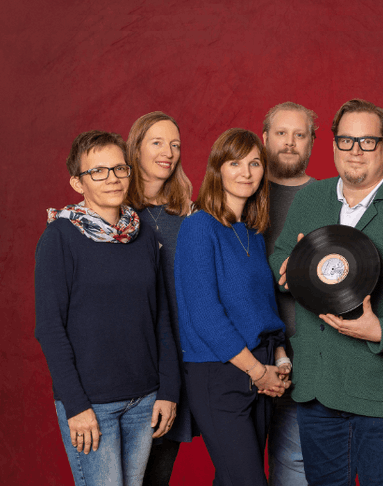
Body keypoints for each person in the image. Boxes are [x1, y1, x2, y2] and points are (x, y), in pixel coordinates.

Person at [269, 99, 383, 486]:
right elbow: (283, 253)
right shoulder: (311, 199)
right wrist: (288, 269)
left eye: (367, 141)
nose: (355, 150)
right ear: (334, 144)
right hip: (317, 386)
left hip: (382, 390)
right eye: (346, 140)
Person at [35, 130, 180, 486]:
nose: (112, 178)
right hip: (92, 403)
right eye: (98, 171)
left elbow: (161, 318)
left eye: (119, 168)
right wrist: (76, 406)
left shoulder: (144, 235)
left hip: (144, 400)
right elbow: (50, 328)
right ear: (78, 183)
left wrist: (168, 391)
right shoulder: (60, 237)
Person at [174, 128, 290, 486]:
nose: (246, 172)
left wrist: (280, 359)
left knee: (232, 479)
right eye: (235, 163)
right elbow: (205, 315)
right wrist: (257, 371)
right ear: (218, 169)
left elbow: (263, 306)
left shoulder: (253, 233)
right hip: (220, 372)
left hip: (261, 364)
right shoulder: (199, 227)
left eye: (255, 163)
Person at [125, 111, 197, 485]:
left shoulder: (189, 214)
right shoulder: (115, 214)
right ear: (135, 149)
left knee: (157, 474)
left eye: (175, 145)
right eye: (157, 142)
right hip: (131, 360)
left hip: (177, 362)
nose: (168, 152)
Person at [261, 101, 318, 486]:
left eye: (300, 135)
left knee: (294, 468)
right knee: (240, 472)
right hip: (244, 357)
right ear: (265, 138)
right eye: (281, 133)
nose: (290, 142)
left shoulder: (328, 197)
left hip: (304, 359)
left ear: (312, 142)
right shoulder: (241, 190)